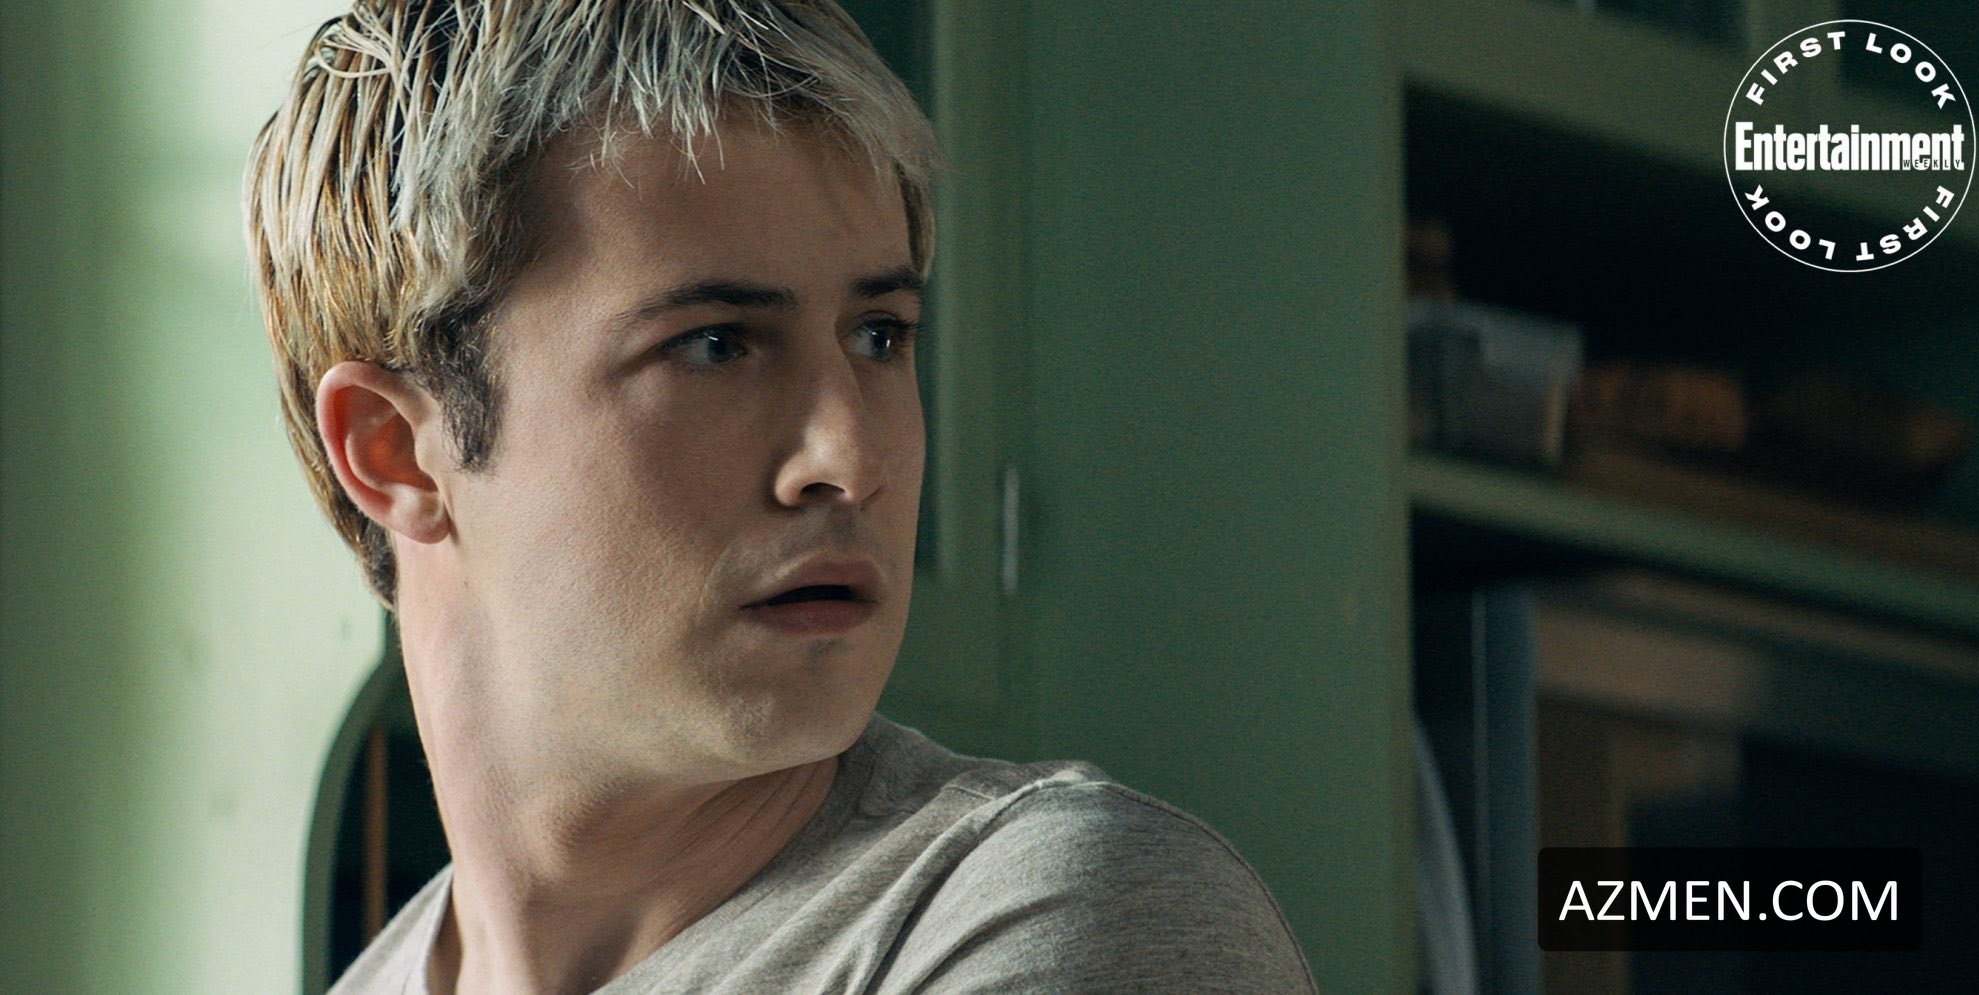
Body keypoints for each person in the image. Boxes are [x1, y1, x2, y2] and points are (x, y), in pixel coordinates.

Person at [246, 2, 1316, 992]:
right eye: (716, 345)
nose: (849, 457)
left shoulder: (1056, 916)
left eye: (879, 334)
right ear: (396, 451)